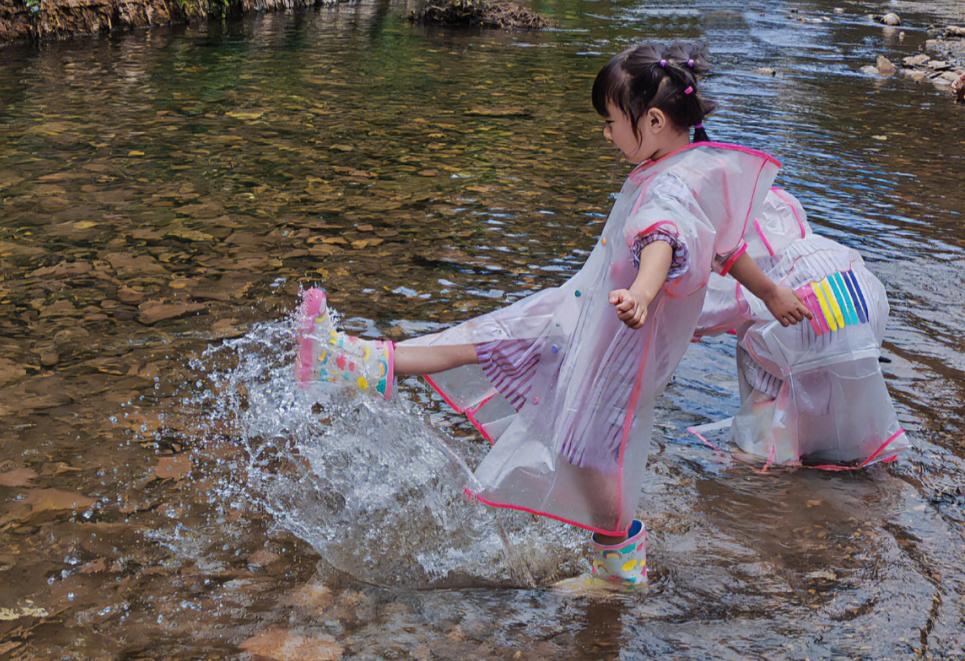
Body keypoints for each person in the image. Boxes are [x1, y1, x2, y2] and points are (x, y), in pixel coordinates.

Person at [295, 41, 797, 589]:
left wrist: (645, 295)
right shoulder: (693, 165)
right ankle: (359, 363)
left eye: (610, 122)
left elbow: (663, 241)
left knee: (591, 452)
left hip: (616, 342)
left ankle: (619, 573)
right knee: (494, 337)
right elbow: (727, 247)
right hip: (582, 311)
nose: (607, 134)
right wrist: (769, 294)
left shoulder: (671, 187)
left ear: (652, 121)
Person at [690, 185, 908, 469]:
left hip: (803, 326)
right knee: (833, 366)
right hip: (861, 301)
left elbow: (703, 317)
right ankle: (848, 442)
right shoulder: (816, 238)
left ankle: (772, 449)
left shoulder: (760, 274)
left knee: (761, 345)